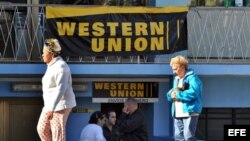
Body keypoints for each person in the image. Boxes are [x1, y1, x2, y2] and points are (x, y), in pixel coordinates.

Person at [37, 38, 77, 141]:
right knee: (41, 129)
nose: (42, 55)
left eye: (44, 52)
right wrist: (49, 107)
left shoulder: (61, 67)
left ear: (51, 53)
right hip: (49, 105)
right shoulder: (51, 66)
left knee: (57, 133)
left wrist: (52, 108)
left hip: (60, 105)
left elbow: (61, 88)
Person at [166, 55, 202, 141]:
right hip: (177, 113)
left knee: (189, 137)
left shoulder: (193, 78)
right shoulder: (176, 79)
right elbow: (171, 93)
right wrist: (170, 95)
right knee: (178, 138)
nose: (173, 71)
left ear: (182, 67)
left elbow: (193, 92)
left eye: (175, 68)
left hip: (189, 112)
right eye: (173, 69)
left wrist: (177, 95)